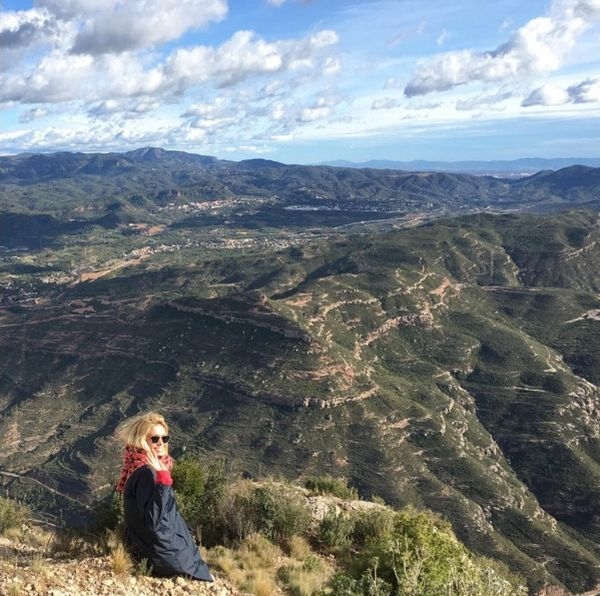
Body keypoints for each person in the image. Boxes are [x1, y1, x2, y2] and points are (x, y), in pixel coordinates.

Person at [115, 411, 213, 581]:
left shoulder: (143, 469)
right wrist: (164, 481)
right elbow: (153, 521)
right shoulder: (149, 473)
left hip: (163, 552)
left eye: (164, 438)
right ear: (141, 440)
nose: (160, 443)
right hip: (168, 556)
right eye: (154, 438)